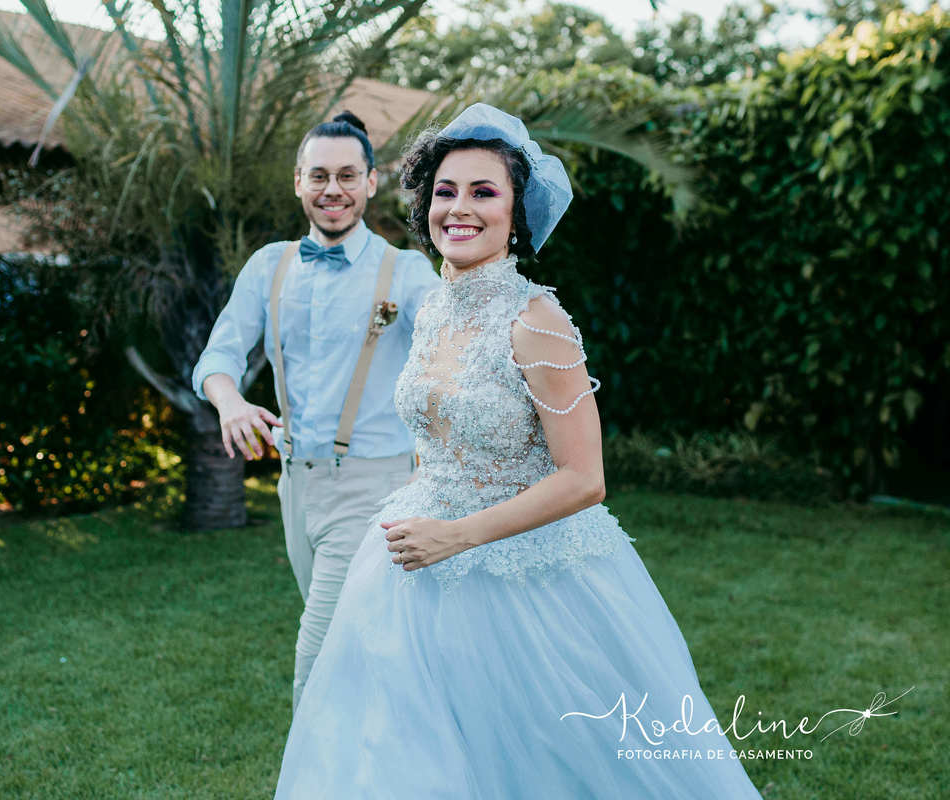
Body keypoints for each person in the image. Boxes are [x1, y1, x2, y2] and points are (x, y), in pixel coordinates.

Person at [273, 104, 764, 798]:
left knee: (545, 763)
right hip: (411, 575)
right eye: (445, 191)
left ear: (516, 212)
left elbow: (585, 479)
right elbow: (437, 438)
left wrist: (456, 535)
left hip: (528, 583)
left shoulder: (537, 321)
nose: (459, 208)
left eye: (483, 192)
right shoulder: (437, 306)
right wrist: (425, 518)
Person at [191, 111, 441, 714]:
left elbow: (449, 350)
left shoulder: (405, 272)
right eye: (321, 175)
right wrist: (230, 403)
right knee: (355, 651)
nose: (335, 189)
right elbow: (217, 357)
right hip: (295, 488)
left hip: (375, 488)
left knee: (318, 662)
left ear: (372, 182)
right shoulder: (268, 265)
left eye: (348, 175)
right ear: (298, 181)